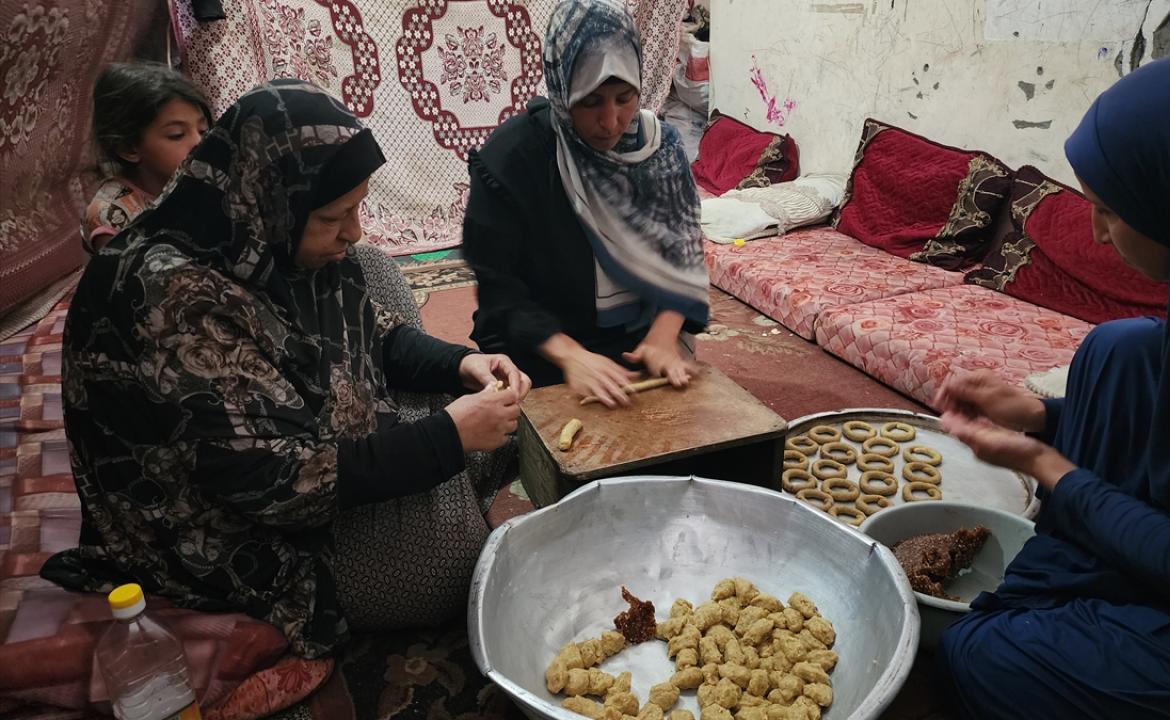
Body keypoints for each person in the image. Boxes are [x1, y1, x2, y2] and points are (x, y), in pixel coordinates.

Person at [42, 79, 532, 658]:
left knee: (369, 266)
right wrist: (446, 438)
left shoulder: (256, 232)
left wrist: (462, 363)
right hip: (237, 527)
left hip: (296, 433)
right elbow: (276, 487)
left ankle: (437, 459)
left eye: (357, 207)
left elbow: (372, 329)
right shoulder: (176, 301)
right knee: (444, 570)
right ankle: (445, 471)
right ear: (272, 199)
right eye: (334, 215)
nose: (353, 228)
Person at [932, 53, 1170, 718]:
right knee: (1120, 350)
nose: (1094, 232)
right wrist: (1042, 417)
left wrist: (1047, 465)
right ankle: (1097, 583)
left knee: (978, 653)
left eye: (1109, 210)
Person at [463, 0, 710, 408]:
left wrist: (664, 335)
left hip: (638, 342)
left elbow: (683, 255)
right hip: (542, 346)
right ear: (562, 89)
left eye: (624, 97)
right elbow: (499, 291)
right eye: (591, 101)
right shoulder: (513, 160)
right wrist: (571, 356)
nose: (610, 122)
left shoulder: (658, 149)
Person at [82, 61, 212, 251]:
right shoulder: (111, 215)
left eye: (203, 131)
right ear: (128, 148)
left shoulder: (200, 178)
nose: (199, 142)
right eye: (176, 134)